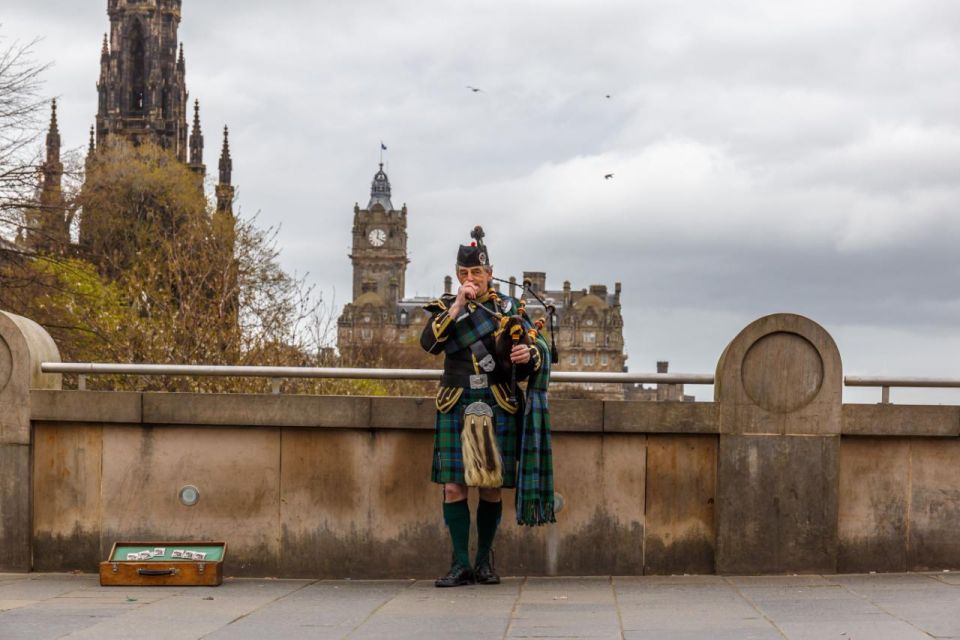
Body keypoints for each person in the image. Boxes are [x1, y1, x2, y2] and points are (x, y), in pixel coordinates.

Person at [420, 227, 542, 587]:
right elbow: (429, 344)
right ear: (458, 276)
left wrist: (529, 353)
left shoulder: (510, 310)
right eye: (464, 273)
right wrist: (458, 305)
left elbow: (544, 353)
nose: (470, 279)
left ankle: (484, 562)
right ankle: (460, 564)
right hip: (456, 400)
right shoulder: (446, 307)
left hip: (497, 400)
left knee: (490, 486)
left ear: (490, 273)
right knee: (454, 487)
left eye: (476, 273)